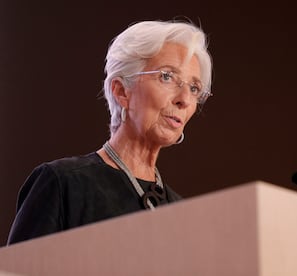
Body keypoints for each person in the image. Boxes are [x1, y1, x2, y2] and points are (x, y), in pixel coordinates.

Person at [7, 19, 213, 245]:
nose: (184, 99)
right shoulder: (62, 184)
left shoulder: (183, 214)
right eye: (167, 76)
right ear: (122, 91)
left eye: (194, 88)